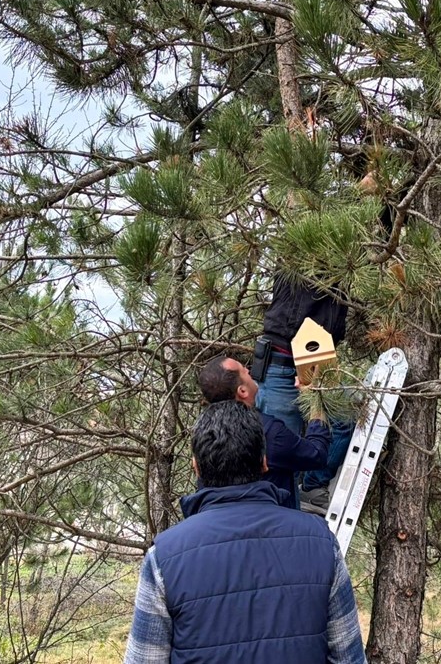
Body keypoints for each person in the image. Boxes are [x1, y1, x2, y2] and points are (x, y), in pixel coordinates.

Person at [123, 401, 367, 664]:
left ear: (196, 466)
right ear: (264, 463)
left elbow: (145, 659)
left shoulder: (164, 557)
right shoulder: (321, 542)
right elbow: (350, 658)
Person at [255, 276, 355, 512]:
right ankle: (281, 516)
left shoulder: (340, 263)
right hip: (282, 362)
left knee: (343, 421)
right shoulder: (301, 262)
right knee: (282, 459)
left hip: (317, 359)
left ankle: (312, 486)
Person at [197, 355, 330, 510]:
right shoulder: (268, 432)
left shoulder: (202, 435)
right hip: (275, 519)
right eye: (243, 370)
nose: (248, 370)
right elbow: (316, 454)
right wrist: (315, 398)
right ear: (242, 391)